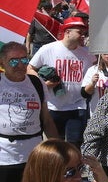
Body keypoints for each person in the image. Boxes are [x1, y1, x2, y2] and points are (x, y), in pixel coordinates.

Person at [0, 43, 57, 182]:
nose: (20, 65)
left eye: (24, 59)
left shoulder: (37, 83)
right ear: (2, 63)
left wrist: (59, 148)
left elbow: (46, 120)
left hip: (34, 154)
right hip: (4, 157)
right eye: (13, 61)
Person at [28, 16, 95, 146]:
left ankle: (72, 167)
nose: (83, 36)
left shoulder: (87, 53)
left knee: (74, 145)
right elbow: (29, 68)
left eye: (84, 33)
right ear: (67, 32)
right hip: (53, 107)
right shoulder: (48, 49)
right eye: (79, 32)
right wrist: (43, 83)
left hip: (77, 106)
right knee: (55, 146)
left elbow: (98, 67)